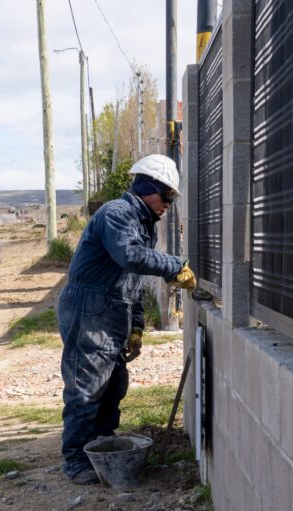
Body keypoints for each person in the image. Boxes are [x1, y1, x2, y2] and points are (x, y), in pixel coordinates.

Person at [57, 154, 196, 484]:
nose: (167, 205)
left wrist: (135, 327)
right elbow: (130, 257)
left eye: (171, 199)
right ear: (148, 188)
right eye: (166, 197)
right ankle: (76, 459)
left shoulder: (142, 224)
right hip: (89, 311)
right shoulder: (117, 214)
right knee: (87, 389)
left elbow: (130, 283)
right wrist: (175, 266)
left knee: (113, 386)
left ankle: (101, 447)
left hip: (110, 312)